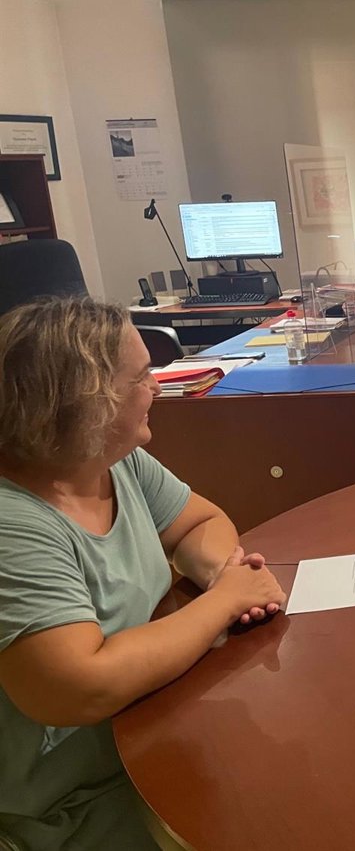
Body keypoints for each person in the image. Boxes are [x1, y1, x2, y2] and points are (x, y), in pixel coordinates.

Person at [0, 297, 287, 850]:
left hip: (156, 728)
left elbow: (200, 522)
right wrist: (224, 602)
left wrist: (221, 573)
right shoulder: (14, 523)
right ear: (86, 401)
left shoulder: (111, 461)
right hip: (73, 802)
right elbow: (79, 687)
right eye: (141, 377)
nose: (155, 387)